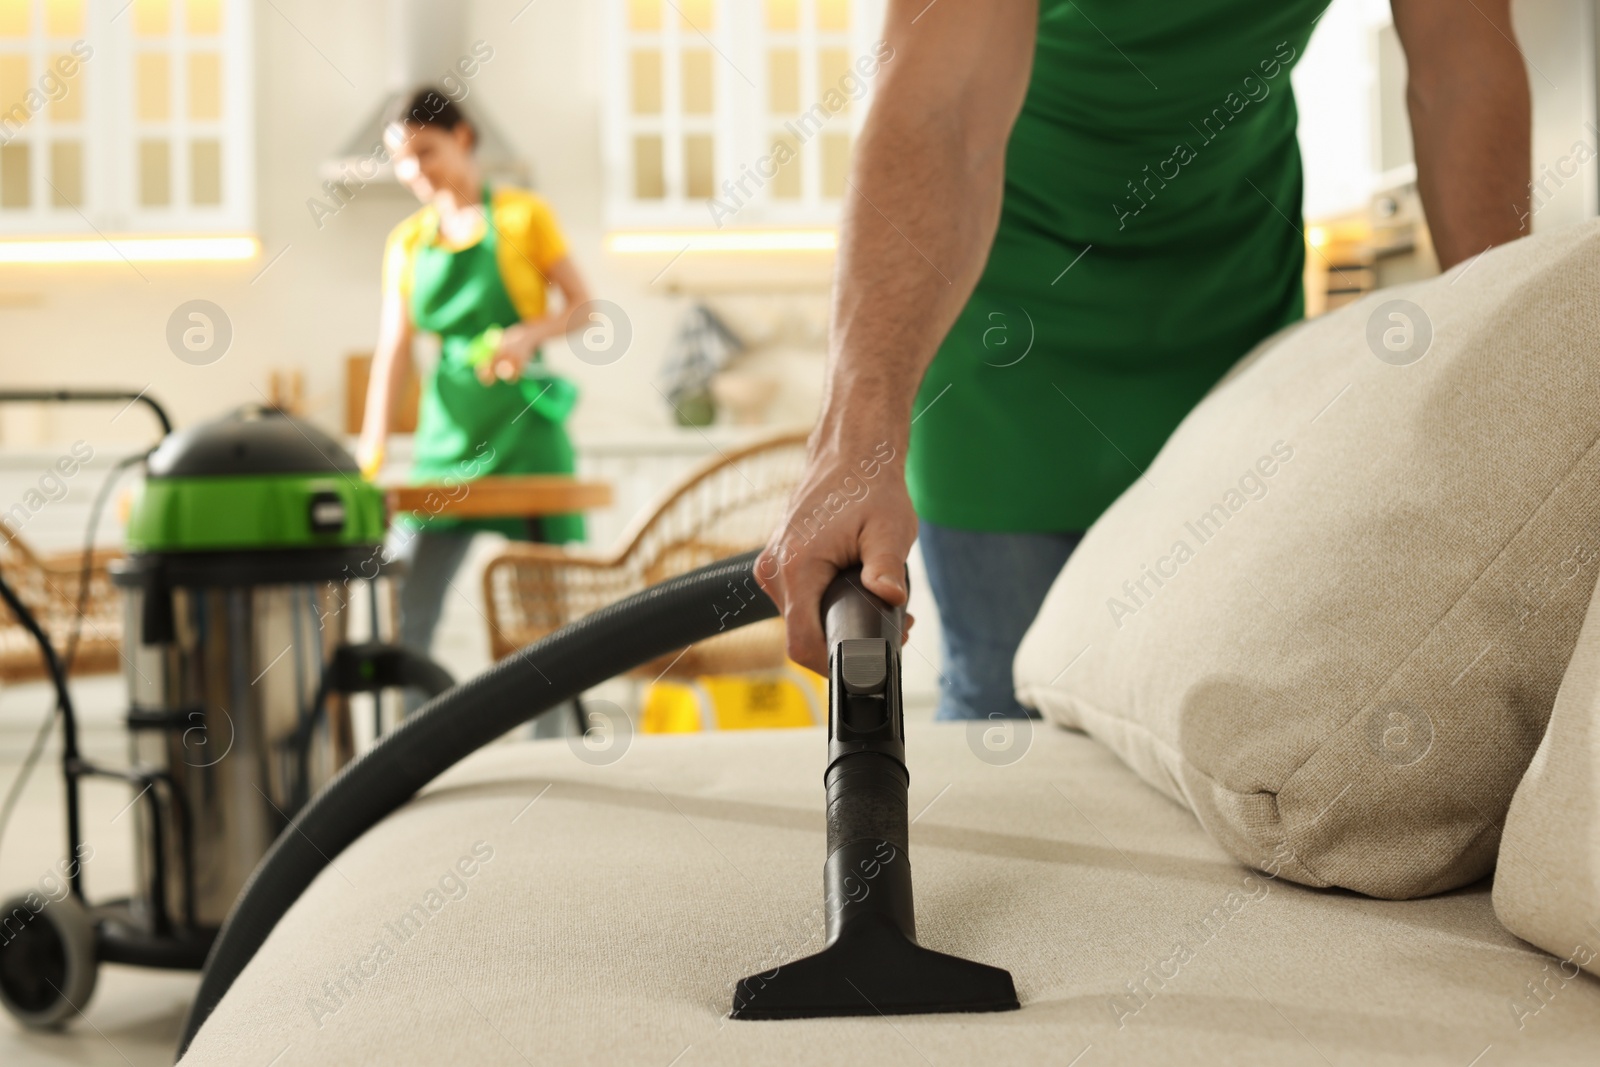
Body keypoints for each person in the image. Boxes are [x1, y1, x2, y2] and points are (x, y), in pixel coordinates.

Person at [757, 0, 1530, 719]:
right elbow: (945, 110)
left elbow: (1462, 66)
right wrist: (858, 433)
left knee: (1226, 717)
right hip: (1008, 343)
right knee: (1007, 710)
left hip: (1231, 323)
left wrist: (1514, 386)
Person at [358, 87, 594, 680]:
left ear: (463, 137)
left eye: (426, 152)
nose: (413, 171)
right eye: (401, 158)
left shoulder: (523, 217)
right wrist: (372, 452)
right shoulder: (407, 243)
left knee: (543, 612)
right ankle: (414, 749)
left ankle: (550, 750)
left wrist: (529, 334)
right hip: (448, 439)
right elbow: (394, 353)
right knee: (410, 605)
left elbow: (585, 309)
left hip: (526, 430)